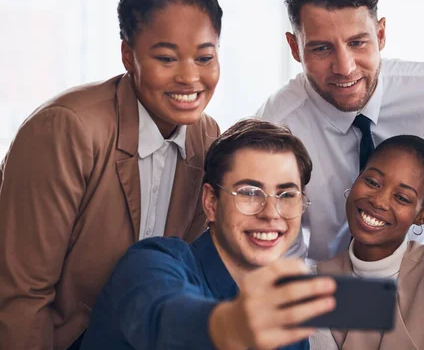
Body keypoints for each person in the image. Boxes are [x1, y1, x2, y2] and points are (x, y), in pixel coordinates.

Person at [0, 0, 223, 349]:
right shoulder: (67, 129)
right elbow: (20, 294)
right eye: (166, 58)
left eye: (205, 57)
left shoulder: (206, 137)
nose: (190, 77)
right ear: (127, 54)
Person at [257, 0, 424, 262]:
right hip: (324, 291)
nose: (345, 68)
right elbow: (280, 246)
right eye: (321, 48)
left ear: (381, 34)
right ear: (295, 48)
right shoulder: (276, 127)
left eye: (358, 42)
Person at [80, 118, 336, 350]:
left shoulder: (288, 316)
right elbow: (164, 316)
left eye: (287, 195)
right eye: (249, 192)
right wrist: (229, 327)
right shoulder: (151, 263)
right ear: (211, 203)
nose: (271, 213)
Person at [311, 135, 424, 349]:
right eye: (372, 182)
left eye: (402, 198)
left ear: (422, 215)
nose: (379, 201)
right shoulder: (315, 286)